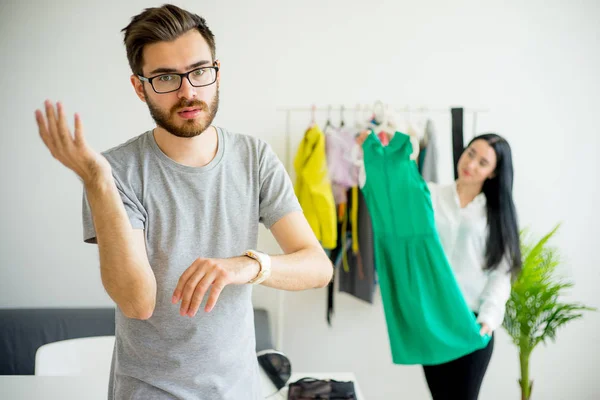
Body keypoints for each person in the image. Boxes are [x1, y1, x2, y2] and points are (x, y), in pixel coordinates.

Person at [34, 4, 333, 400]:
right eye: (165, 78)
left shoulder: (254, 157)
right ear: (139, 86)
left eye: (199, 71)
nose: (188, 91)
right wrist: (97, 182)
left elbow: (317, 267)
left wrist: (249, 265)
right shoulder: (114, 171)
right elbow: (136, 301)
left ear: (216, 72)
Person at [423, 133, 522, 400]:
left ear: (493, 173)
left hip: (473, 323)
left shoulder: (496, 214)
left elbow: (501, 273)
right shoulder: (431, 195)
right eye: (470, 153)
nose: (471, 164)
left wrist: (488, 319)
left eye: (483, 162)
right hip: (435, 322)